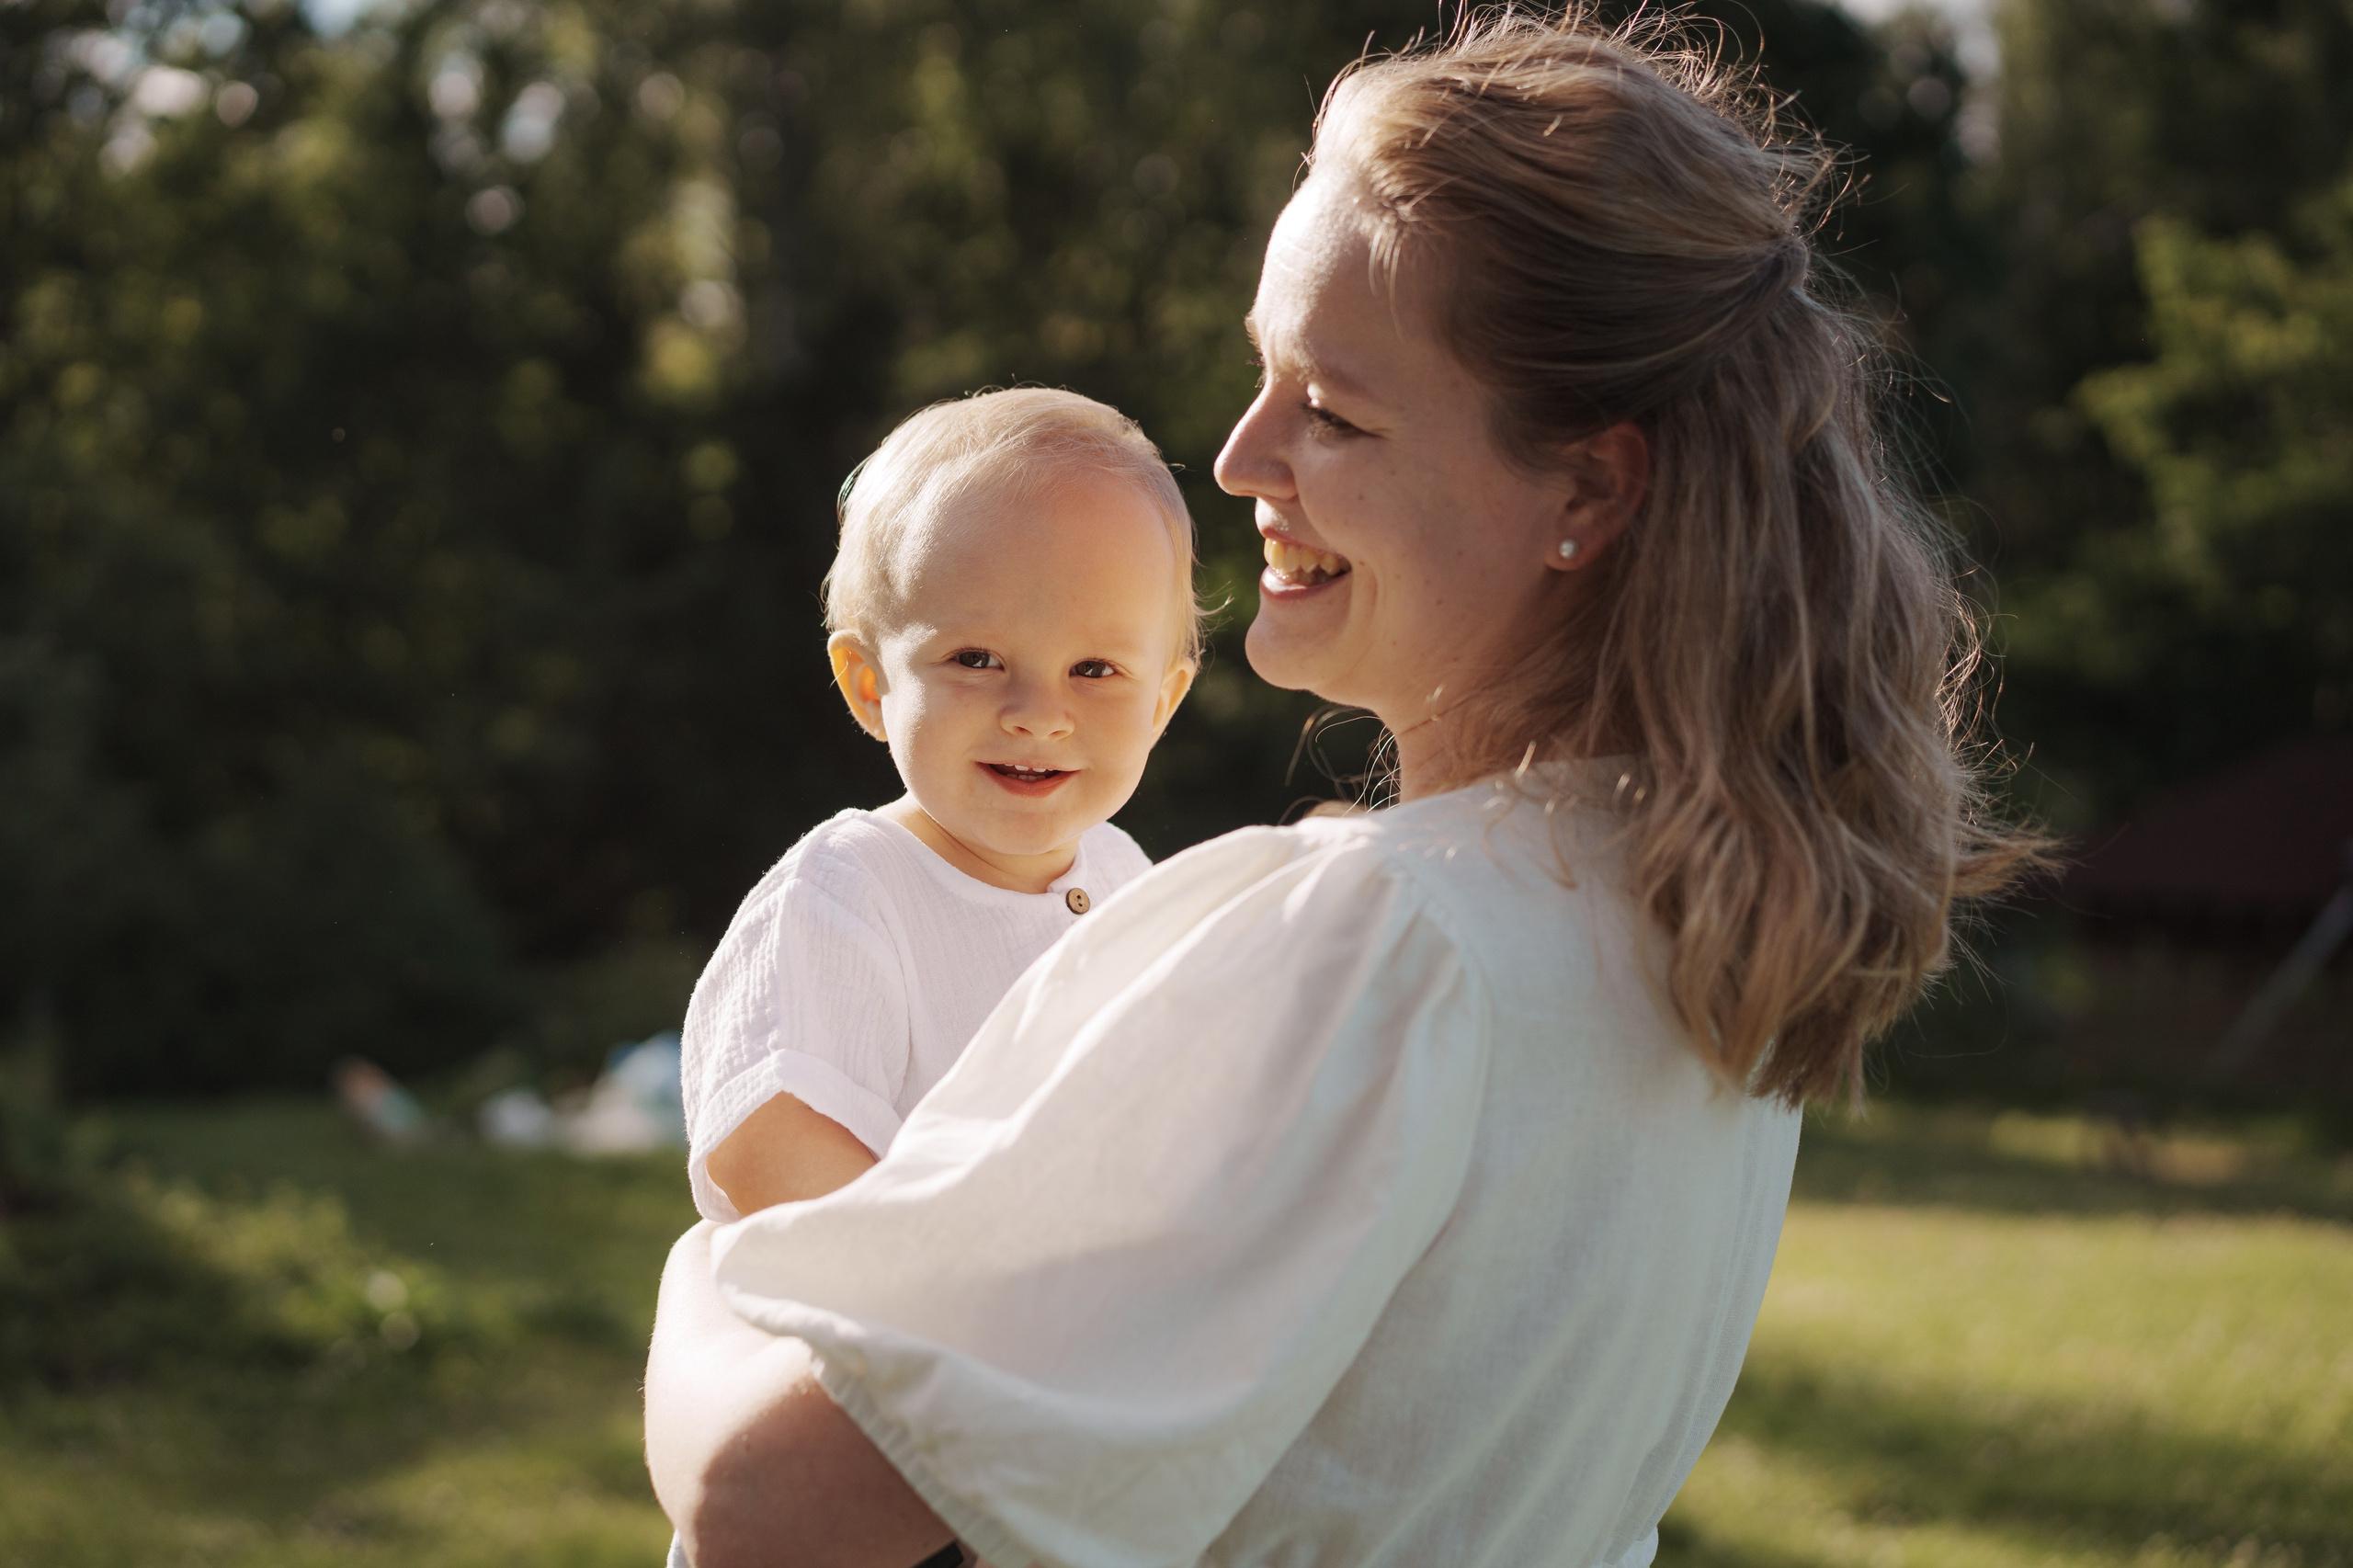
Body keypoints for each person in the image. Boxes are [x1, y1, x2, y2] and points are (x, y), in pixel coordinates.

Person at [643, 14, 2043, 1568]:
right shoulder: (1702, 913)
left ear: (1588, 486)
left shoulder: (1387, 945)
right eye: (1264, 379)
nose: (1241, 459)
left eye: (1334, 409)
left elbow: (764, 1506)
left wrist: (709, 1283)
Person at [680, 388, 1199, 1222]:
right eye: (977, 657)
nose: (1038, 711)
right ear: (869, 685)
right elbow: (770, 1142)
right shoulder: (845, 896)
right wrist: (959, 1286)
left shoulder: (1130, 880)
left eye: (1095, 670)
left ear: (1162, 704)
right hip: (921, 1334)